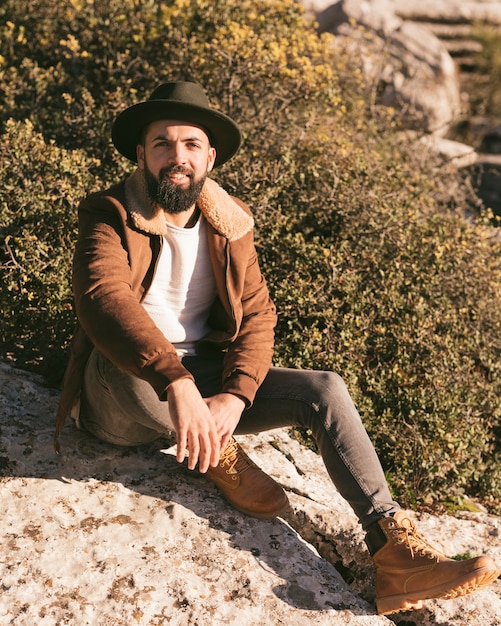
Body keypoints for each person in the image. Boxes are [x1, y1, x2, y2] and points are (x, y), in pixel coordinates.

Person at [54, 81, 499, 616]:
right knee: (126, 363)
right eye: (163, 144)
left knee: (325, 389)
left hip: (205, 378)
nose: (178, 157)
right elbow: (105, 299)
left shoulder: (229, 221)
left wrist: (236, 397)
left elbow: (259, 315)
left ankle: (395, 550)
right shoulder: (108, 212)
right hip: (121, 397)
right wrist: (177, 381)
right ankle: (216, 452)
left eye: (191, 145)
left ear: (210, 156)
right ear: (142, 155)